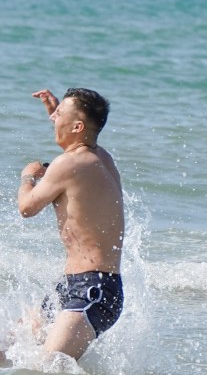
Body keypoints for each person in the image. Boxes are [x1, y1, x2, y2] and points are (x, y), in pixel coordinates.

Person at [16, 87, 125, 361]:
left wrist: (27, 177)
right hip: (72, 286)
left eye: (59, 115)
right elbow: (76, 142)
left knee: (45, 373)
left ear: (77, 126)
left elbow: (26, 208)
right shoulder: (100, 157)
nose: (54, 118)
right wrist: (58, 112)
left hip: (93, 291)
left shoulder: (69, 165)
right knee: (4, 352)